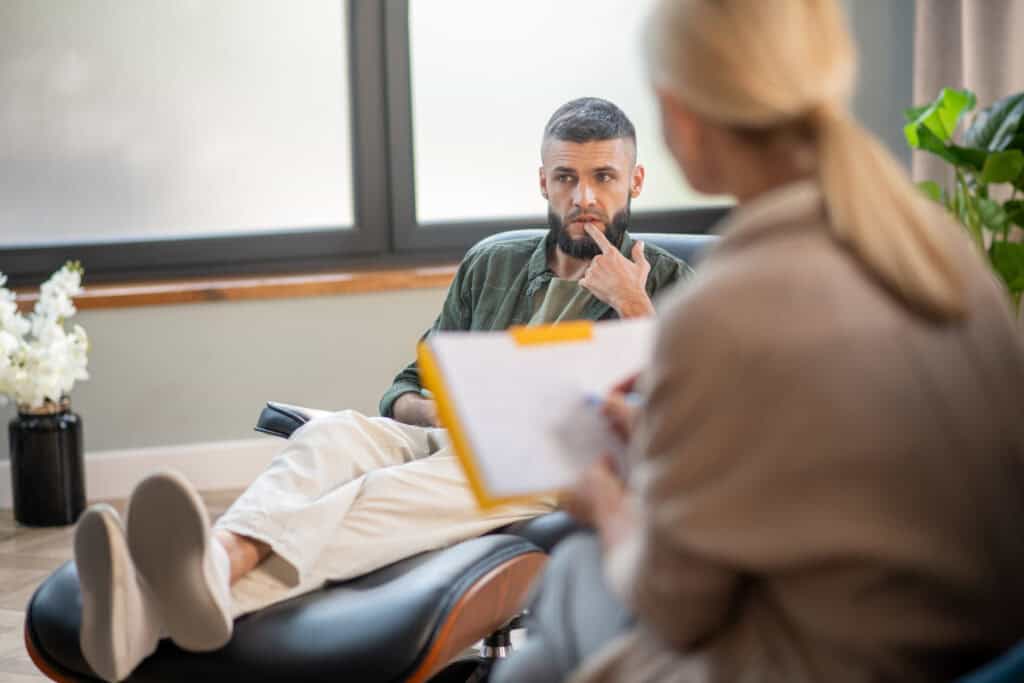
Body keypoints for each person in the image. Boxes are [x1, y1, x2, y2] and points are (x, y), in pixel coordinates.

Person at [71, 97, 693, 683]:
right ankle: (173, 598)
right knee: (331, 436)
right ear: (543, 181)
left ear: (634, 183)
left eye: (604, 177)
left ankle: (191, 578)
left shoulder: (669, 285)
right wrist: (455, 414)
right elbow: (401, 391)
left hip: (554, 471)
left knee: (376, 491)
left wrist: (634, 305)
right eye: (566, 177)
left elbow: (687, 427)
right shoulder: (494, 263)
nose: (583, 196)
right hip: (443, 437)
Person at [493, 2, 1024, 682]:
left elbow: (673, 605)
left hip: (830, 661)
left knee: (565, 584)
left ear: (678, 114)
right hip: (964, 648)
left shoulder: (722, 309)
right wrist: (663, 430)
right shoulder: (941, 254)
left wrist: (602, 498)